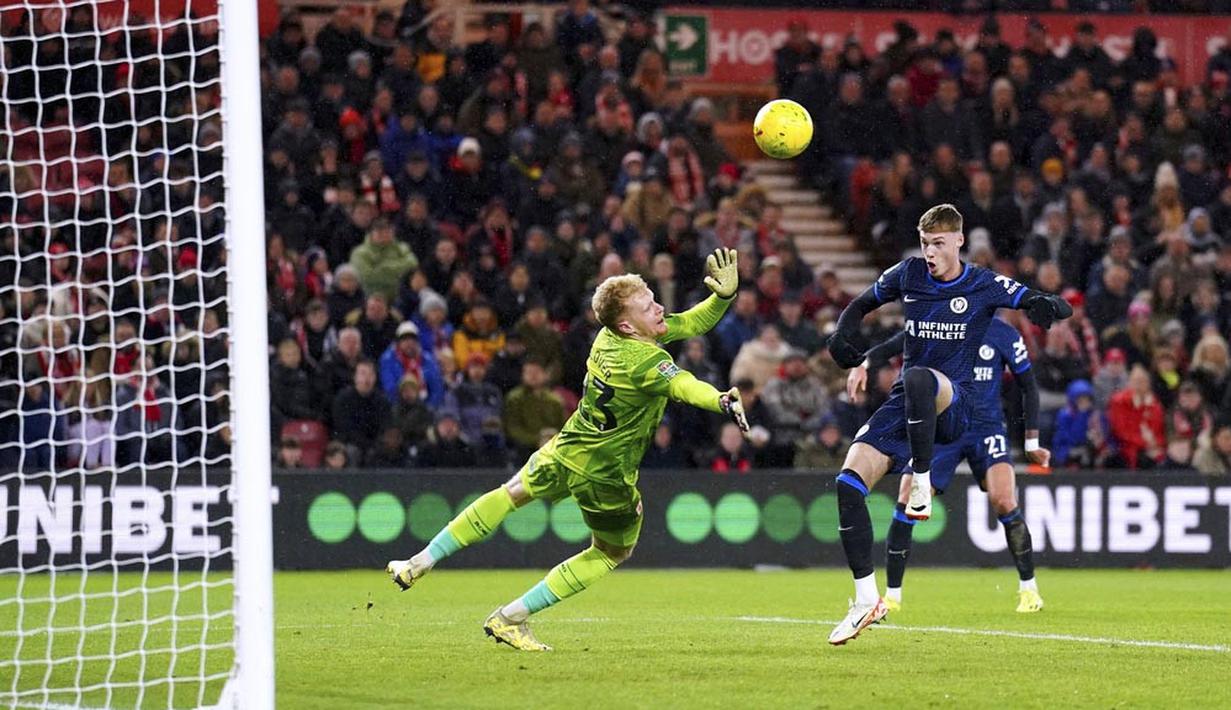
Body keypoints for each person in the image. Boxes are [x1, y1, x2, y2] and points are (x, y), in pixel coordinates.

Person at [385, 249, 750, 651]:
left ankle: (418, 561)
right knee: (611, 551)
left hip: (566, 446)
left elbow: (689, 322)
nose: (660, 307)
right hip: (605, 473)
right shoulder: (647, 362)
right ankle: (511, 617)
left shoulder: (608, 336)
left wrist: (722, 298)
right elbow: (682, 383)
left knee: (510, 495)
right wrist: (719, 399)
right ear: (629, 325)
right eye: (650, 305)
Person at [823, 204, 1071, 645]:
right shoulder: (909, 274)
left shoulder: (981, 284)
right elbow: (861, 303)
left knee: (920, 377)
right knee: (847, 484)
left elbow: (1029, 297)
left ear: (959, 241)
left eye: (938, 243)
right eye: (925, 244)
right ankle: (866, 599)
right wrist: (843, 338)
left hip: (954, 404)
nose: (930, 252)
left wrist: (1045, 304)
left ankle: (921, 482)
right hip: (906, 405)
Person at [848, 315, 1047, 614]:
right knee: (907, 499)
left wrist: (1031, 442)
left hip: (986, 428)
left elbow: (1028, 386)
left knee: (1004, 501)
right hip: (943, 427)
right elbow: (896, 343)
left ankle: (1029, 589)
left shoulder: (1003, 333)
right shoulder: (940, 322)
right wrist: (865, 361)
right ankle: (892, 596)